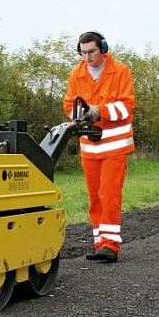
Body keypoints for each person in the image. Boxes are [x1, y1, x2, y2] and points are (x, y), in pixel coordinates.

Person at [62, 31, 135, 262]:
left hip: (115, 147)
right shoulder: (77, 74)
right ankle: (99, 243)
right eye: (83, 53)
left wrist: (98, 111)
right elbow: (69, 103)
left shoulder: (120, 71)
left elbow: (126, 106)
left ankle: (110, 246)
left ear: (102, 48)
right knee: (95, 197)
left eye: (91, 51)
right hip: (89, 148)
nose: (87, 57)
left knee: (109, 194)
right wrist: (79, 114)